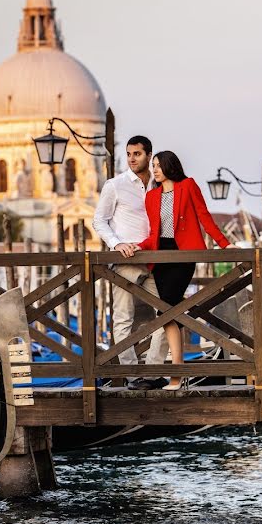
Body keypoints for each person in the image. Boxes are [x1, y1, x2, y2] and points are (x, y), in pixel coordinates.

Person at [134, 151, 236, 390]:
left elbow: (204, 217)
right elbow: (153, 235)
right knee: (170, 313)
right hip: (161, 258)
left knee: (167, 312)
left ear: (171, 166)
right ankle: (178, 374)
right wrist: (134, 247)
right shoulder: (151, 197)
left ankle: (177, 376)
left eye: (159, 165)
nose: (155, 170)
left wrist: (225, 244)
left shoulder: (188, 186)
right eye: (153, 166)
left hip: (184, 255)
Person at [93, 135, 168, 391]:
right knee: (123, 318)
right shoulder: (115, 185)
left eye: (137, 154)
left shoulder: (160, 186)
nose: (132, 159)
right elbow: (99, 221)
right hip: (126, 262)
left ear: (149, 155)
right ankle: (131, 374)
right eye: (129, 154)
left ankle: (154, 371)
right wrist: (116, 244)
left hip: (155, 261)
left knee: (170, 313)